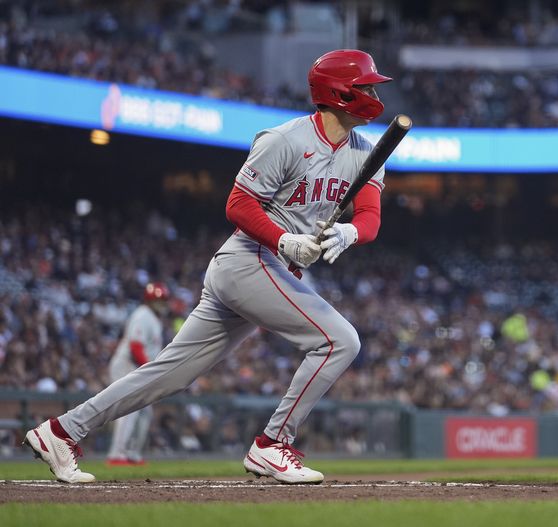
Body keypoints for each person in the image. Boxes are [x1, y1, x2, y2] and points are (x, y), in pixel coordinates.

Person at [23, 49, 392, 484]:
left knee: (170, 375)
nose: (372, 93)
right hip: (250, 259)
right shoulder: (285, 140)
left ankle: (62, 431)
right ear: (339, 92)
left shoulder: (366, 151)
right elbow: (238, 205)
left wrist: (350, 234)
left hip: (264, 270)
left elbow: (369, 216)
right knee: (340, 340)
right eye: (365, 85)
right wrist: (284, 239)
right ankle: (272, 445)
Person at [106, 282, 170, 466]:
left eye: (163, 300)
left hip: (139, 368)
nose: (161, 304)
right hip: (127, 366)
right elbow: (135, 346)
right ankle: (117, 454)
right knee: (129, 411)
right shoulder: (143, 315)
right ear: (149, 300)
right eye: (158, 300)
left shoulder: (154, 319)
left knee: (144, 413)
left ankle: (131, 453)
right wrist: (150, 369)